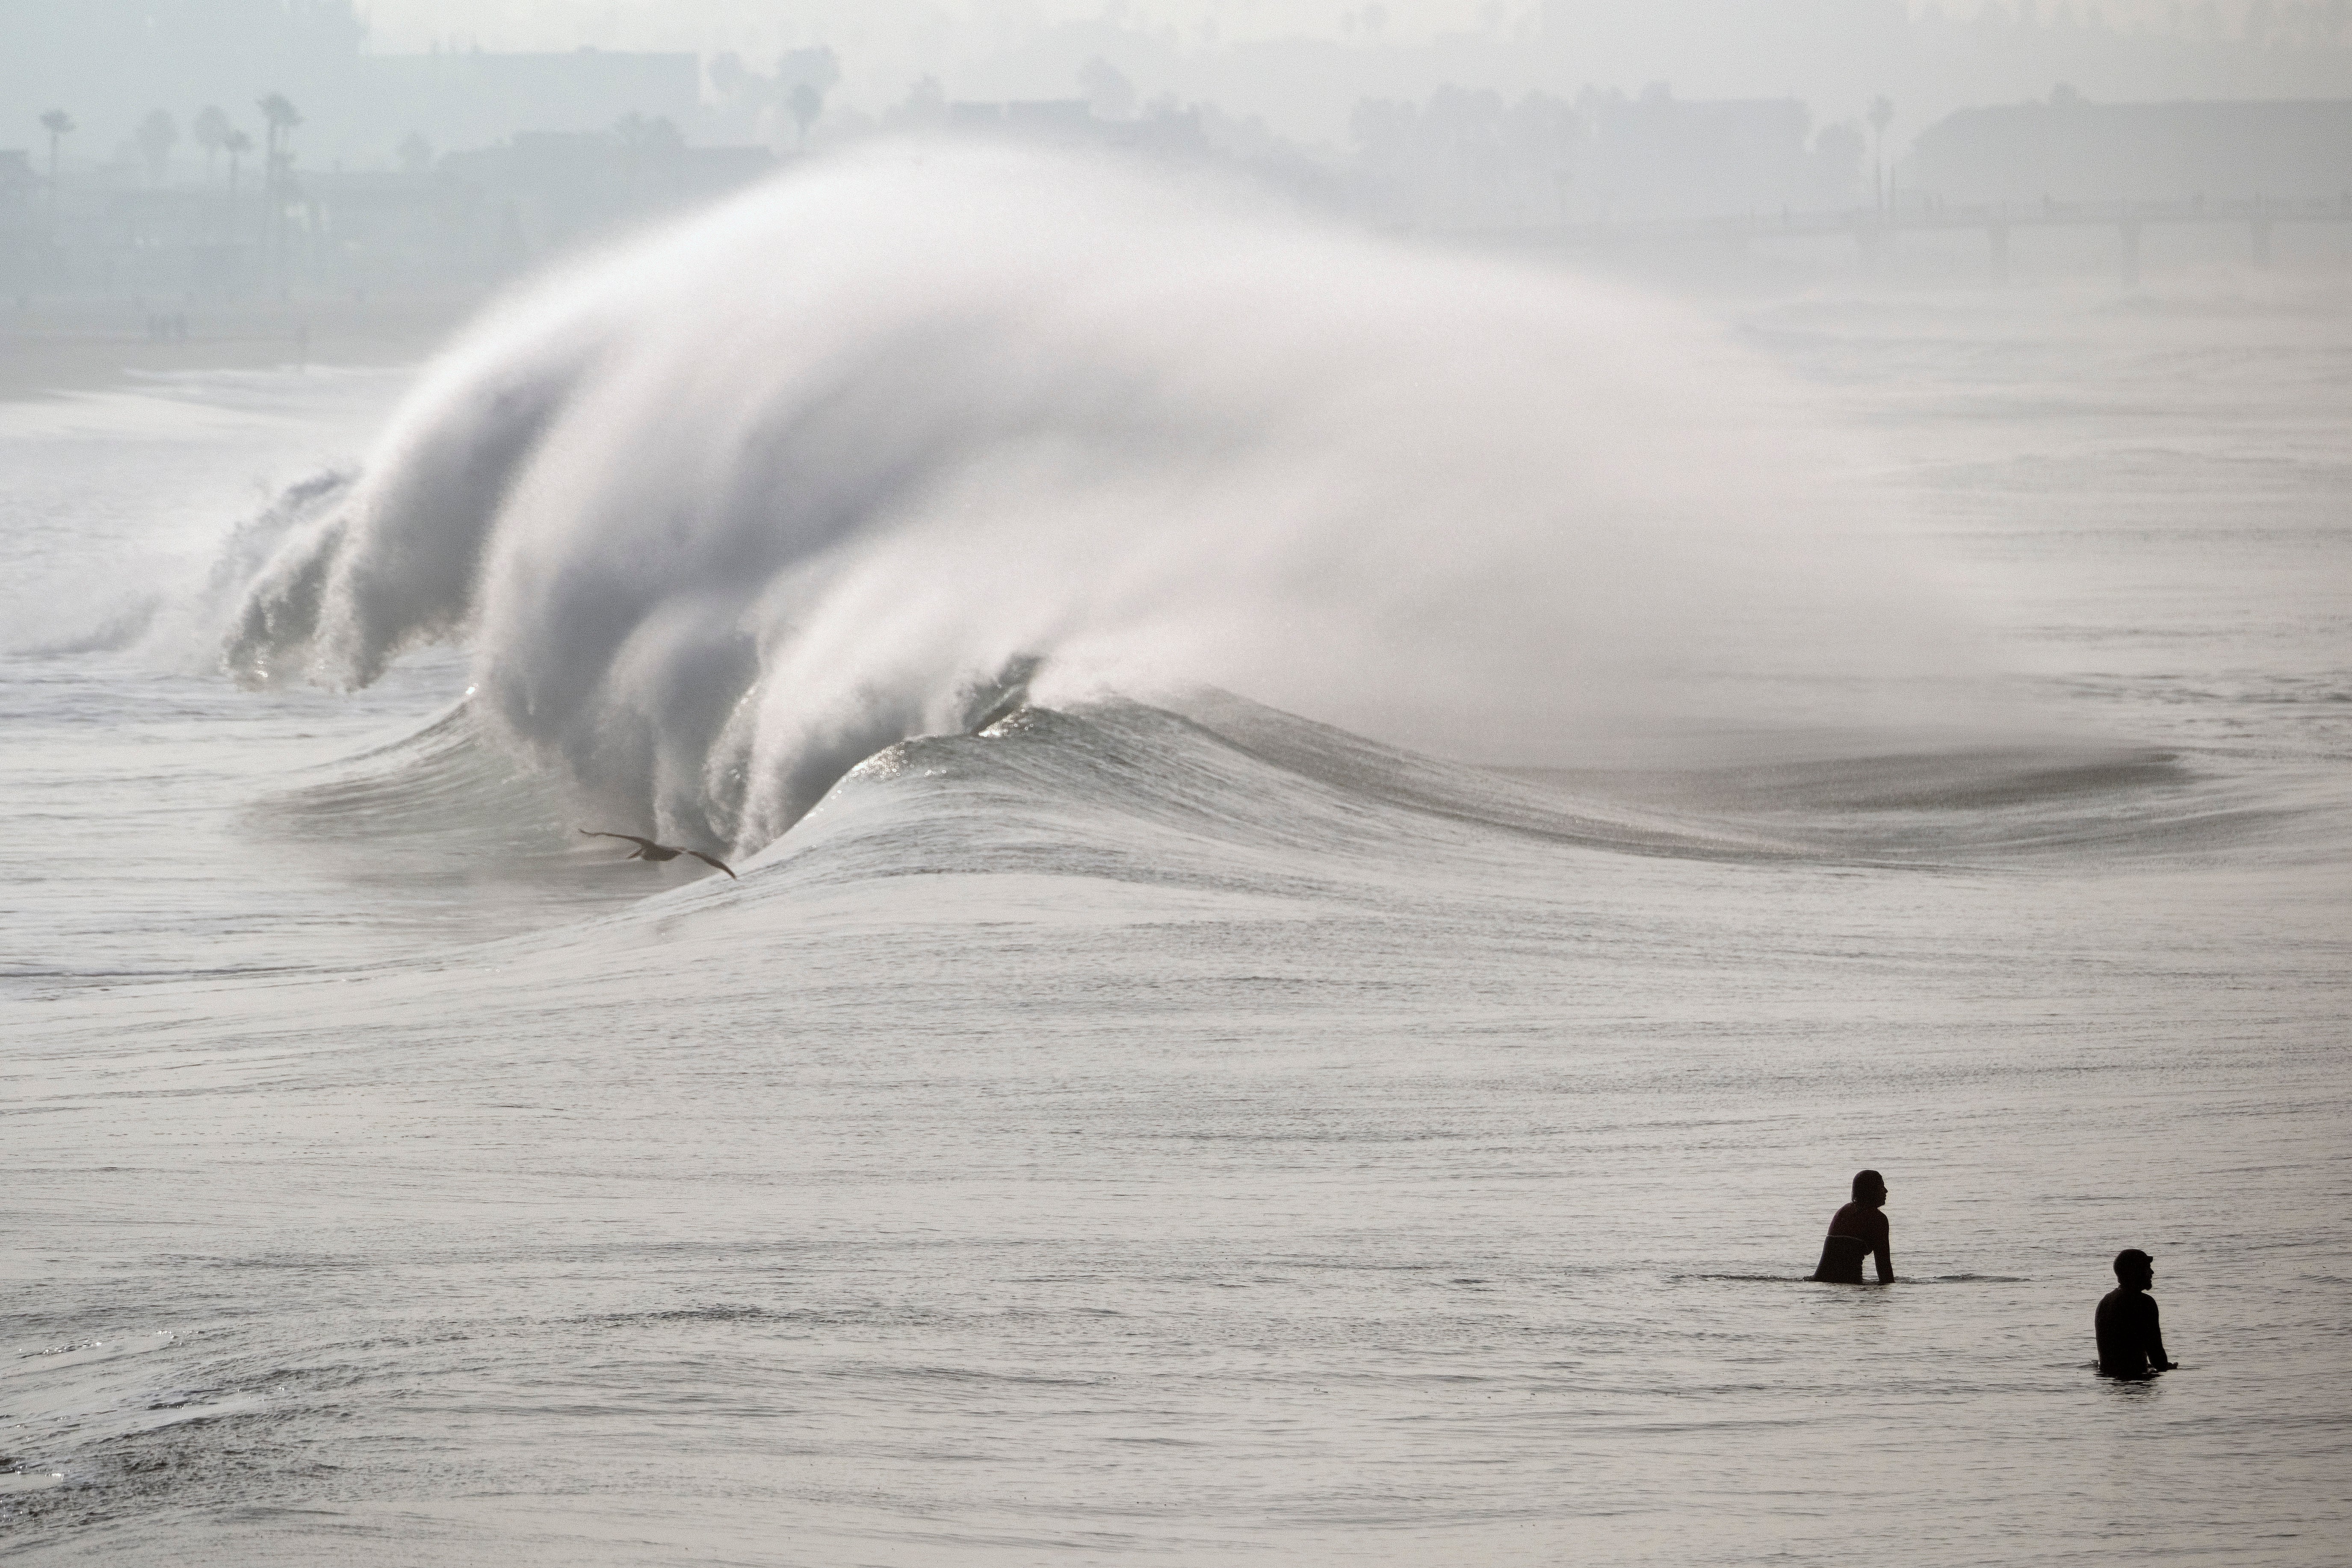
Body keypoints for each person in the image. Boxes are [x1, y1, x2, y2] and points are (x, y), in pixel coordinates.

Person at [2095, 1249, 2177, 1378]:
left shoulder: (2105, 1302)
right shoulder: (2145, 1303)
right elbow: (2158, 1360)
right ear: (2136, 1272)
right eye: (2147, 1268)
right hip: (2136, 1379)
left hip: (2108, 1379)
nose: (2152, 1273)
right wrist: (2167, 1367)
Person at [1808, 1169, 1894, 1283]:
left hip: (1819, 1281)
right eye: (1881, 1186)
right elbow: (1885, 1272)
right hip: (1850, 1284)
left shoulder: (1843, 1211)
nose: (1886, 1191)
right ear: (1871, 1190)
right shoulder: (1878, 1220)